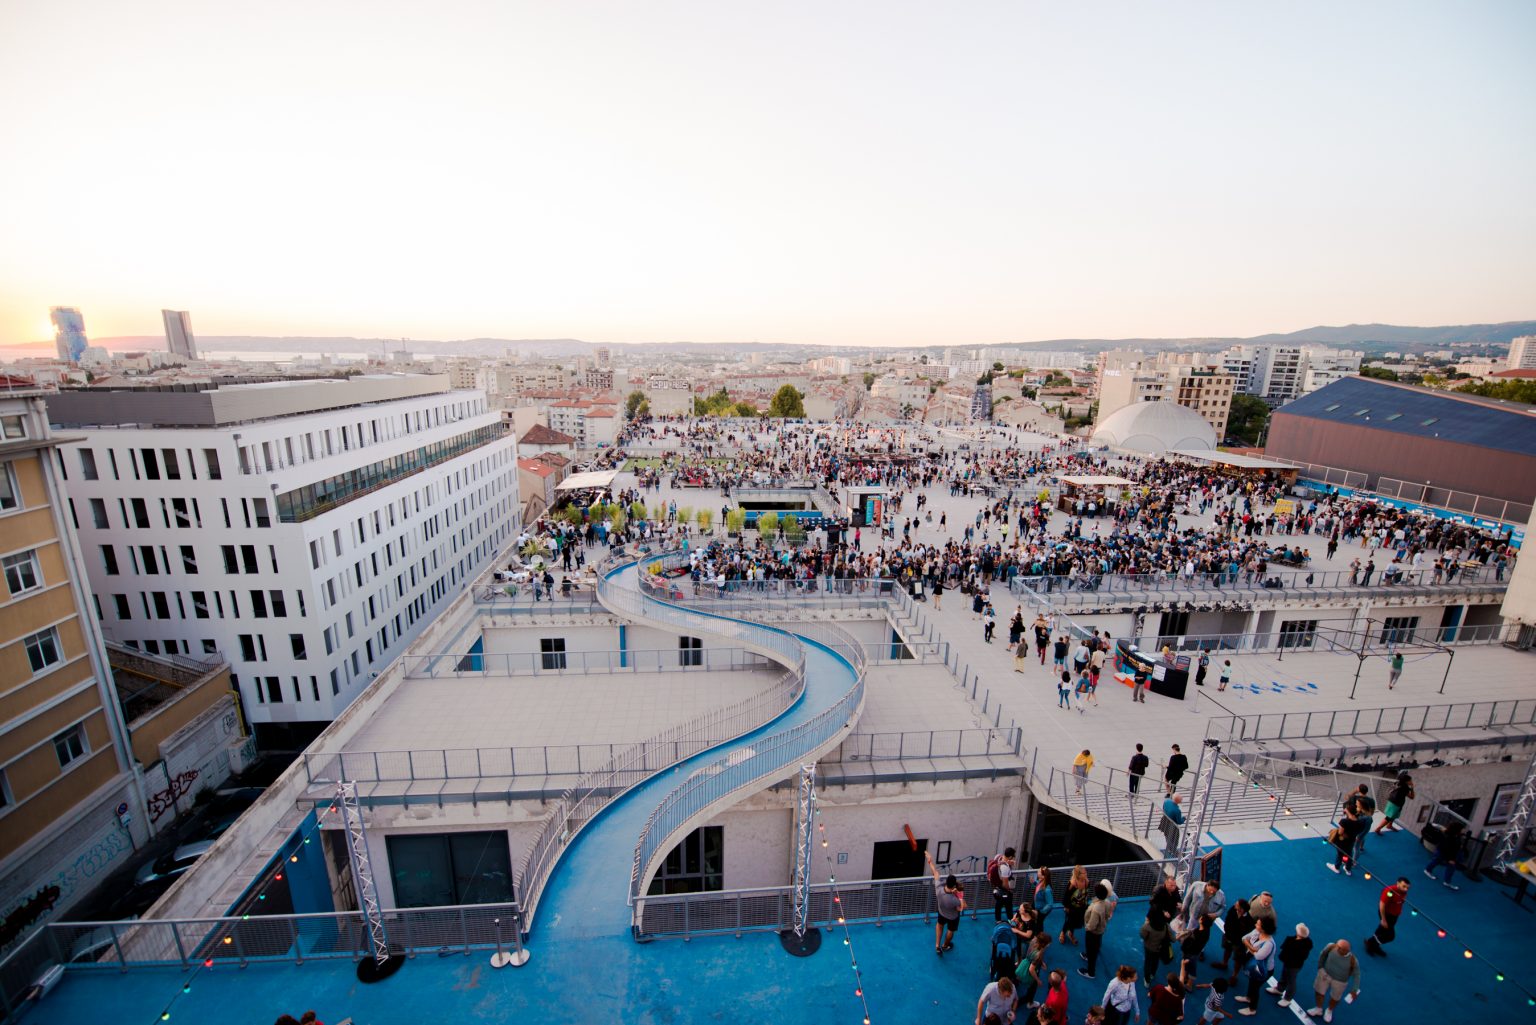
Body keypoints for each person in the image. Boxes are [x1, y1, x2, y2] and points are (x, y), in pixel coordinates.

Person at [1309, 939, 1361, 1023]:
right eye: (1338, 946)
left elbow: (1357, 974)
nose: (1338, 949)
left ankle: (1329, 1010)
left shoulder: (1353, 960)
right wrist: (1320, 966)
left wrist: (1354, 990)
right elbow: (1323, 954)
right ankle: (1318, 1008)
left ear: (1347, 951)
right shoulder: (1331, 947)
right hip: (1325, 975)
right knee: (1319, 992)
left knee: (1335, 998)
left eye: (1341, 948)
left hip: (1340, 981)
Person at [925, 849, 965, 954]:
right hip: (953, 917)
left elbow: (935, 872)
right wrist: (959, 895)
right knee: (950, 930)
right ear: (954, 885)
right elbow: (963, 906)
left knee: (940, 925)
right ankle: (945, 945)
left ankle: (937, 946)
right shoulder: (954, 899)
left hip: (941, 912)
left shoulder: (938, 888)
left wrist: (930, 861)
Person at [1233, 917, 1276, 1015]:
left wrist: (1249, 946)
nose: (1255, 925)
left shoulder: (1268, 944)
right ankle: (1248, 998)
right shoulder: (1257, 932)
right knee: (1252, 983)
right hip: (1255, 966)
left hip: (1263, 970)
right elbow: (1244, 938)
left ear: (1263, 929)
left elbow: (1258, 956)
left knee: (1255, 988)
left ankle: (1252, 1009)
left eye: (1258, 924)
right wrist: (1253, 949)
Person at [1269, 923, 1313, 1008]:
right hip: (1289, 963)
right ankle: (1280, 989)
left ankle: (1288, 998)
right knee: (1284, 975)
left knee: (1291, 981)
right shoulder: (1304, 942)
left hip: (1294, 965)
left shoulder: (1299, 944)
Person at [1364, 878, 1408, 957]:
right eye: (1404, 886)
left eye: (1407, 887)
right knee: (1390, 936)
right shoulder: (1389, 891)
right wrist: (1383, 920)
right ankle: (1371, 944)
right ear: (1398, 883)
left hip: (1394, 916)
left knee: (1381, 930)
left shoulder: (1403, 892)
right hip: (1387, 915)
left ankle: (1373, 944)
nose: (1406, 889)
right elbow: (1381, 905)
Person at [1080, 883, 1113, 980]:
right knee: (1096, 945)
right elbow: (1108, 915)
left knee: (1092, 950)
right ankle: (1088, 955)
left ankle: (1090, 972)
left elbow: (1092, 925)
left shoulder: (1096, 908)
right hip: (1100, 930)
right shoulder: (1107, 902)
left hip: (1093, 933)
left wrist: (1087, 927)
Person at [1424, 820, 1464, 890]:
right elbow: (1447, 849)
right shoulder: (1450, 837)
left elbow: (1441, 827)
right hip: (1444, 852)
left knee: (1438, 861)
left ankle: (1429, 871)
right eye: (1462, 829)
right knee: (1443, 863)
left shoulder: (1454, 834)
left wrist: (1434, 824)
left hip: (1445, 852)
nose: (1463, 830)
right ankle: (1428, 871)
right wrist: (1450, 859)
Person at [1020, 933, 1054, 1008]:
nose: (1049, 945)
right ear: (1044, 944)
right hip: (1032, 971)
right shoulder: (1039, 955)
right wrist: (1037, 980)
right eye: (1048, 944)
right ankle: (1029, 1003)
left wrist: (1041, 962)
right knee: (1032, 988)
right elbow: (1031, 969)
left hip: (1027, 961)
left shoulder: (1034, 941)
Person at [1061, 864, 1091, 945]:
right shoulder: (1073, 884)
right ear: (1078, 875)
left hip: (1081, 906)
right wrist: (1066, 907)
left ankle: (1071, 934)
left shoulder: (1087, 882)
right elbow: (1066, 896)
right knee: (1068, 920)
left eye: (1085, 872)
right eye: (1084, 873)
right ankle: (1063, 933)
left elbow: (1086, 893)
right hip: (1072, 907)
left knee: (1076, 922)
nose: (1086, 874)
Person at [1140, 911, 1170, 988]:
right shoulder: (1165, 926)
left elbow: (1142, 935)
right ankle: (1152, 974)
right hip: (1158, 948)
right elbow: (1172, 938)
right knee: (1155, 961)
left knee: (1148, 963)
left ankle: (1147, 981)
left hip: (1149, 948)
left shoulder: (1147, 927)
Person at [1343, 785, 1376, 855]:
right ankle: (1361, 846)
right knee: (1362, 834)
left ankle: (1351, 852)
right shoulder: (1371, 800)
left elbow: (1346, 797)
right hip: (1365, 821)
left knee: (1351, 835)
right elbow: (1372, 812)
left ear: (1359, 790)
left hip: (1354, 820)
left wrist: (1355, 791)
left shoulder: (1354, 798)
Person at [990, 847, 1018, 922]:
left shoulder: (999, 857)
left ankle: (998, 920)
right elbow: (1005, 883)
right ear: (1010, 857)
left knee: (999, 904)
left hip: (997, 887)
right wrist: (1009, 890)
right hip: (1003, 889)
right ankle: (1011, 920)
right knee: (1008, 905)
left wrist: (1008, 863)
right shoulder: (1004, 868)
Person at [1033, 866, 1057, 934]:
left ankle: (1039, 936)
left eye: (1039, 871)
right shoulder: (1041, 882)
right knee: (1036, 921)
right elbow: (1037, 884)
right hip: (1037, 905)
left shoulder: (1047, 890)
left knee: (1039, 922)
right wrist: (1034, 882)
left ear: (1043, 876)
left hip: (1041, 909)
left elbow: (1050, 904)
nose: (1037, 872)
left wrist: (1041, 912)